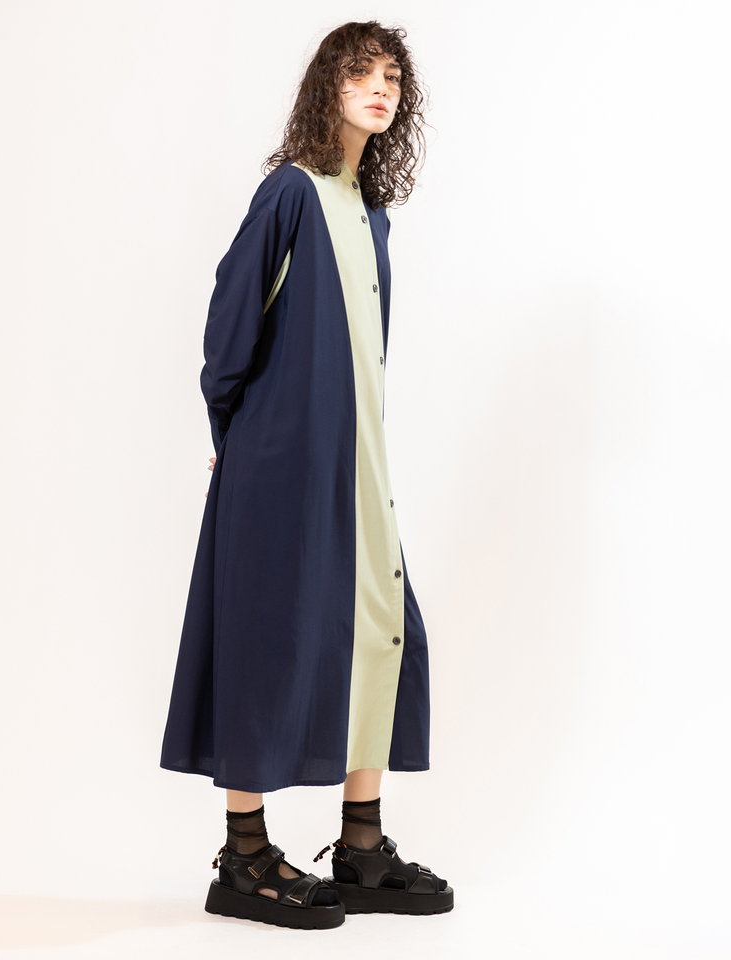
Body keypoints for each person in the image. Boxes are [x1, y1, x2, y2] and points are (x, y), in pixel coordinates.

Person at [160, 20, 452, 928]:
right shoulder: (291, 193)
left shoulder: (371, 213)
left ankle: (360, 845)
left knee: (381, 630)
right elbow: (229, 325)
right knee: (267, 634)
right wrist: (235, 432)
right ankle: (244, 855)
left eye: (393, 76)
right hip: (279, 459)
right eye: (362, 72)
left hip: (357, 460)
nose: (381, 87)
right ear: (328, 87)